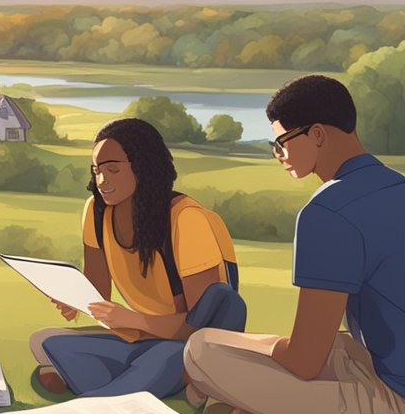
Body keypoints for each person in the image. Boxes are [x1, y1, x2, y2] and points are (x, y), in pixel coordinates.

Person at [184, 75, 405, 414]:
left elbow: (304, 361)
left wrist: (254, 354)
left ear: (316, 134)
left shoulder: (328, 212)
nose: (277, 156)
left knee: (200, 351)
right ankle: (263, 412)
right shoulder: (394, 185)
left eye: (281, 143)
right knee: (336, 348)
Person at [29, 117, 247, 399]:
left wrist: (135, 320)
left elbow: (198, 326)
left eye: (113, 170)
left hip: (185, 341)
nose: (102, 181)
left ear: (143, 167)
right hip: (138, 337)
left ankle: (105, 395)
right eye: (96, 171)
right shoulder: (96, 211)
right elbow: (98, 292)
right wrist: (74, 301)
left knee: (168, 356)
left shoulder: (185, 219)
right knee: (48, 343)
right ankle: (158, 381)